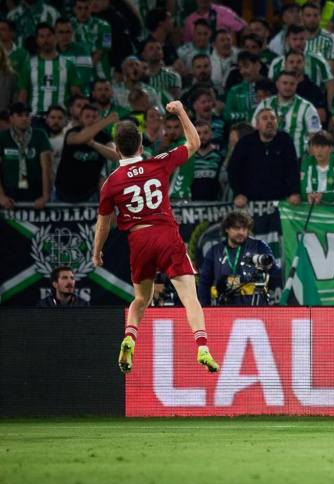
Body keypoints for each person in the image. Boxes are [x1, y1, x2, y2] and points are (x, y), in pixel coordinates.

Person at [93, 101, 220, 374]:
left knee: (141, 299)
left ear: (117, 150)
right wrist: (182, 111)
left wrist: (96, 253)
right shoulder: (157, 163)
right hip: (165, 234)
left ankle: (130, 336)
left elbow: (103, 225)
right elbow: (194, 143)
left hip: (138, 241)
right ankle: (203, 347)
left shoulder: (111, 183)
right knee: (189, 296)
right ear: (141, 147)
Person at [197, 211, 278, 307]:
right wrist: (204, 308)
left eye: (244, 229)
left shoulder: (259, 246)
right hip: (224, 306)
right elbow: (204, 282)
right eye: (236, 228)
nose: (241, 232)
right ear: (227, 229)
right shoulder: (215, 251)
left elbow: (275, 270)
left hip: (254, 305)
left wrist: (269, 265)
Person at [228, 108, 301, 208]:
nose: (269, 121)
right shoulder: (245, 143)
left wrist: (295, 192)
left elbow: (293, 169)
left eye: (273, 118)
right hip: (250, 202)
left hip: (280, 201)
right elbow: (233, 170)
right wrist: (238, 194)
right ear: (257, 125)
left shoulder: (285, 140)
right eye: (265, 118)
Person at [250, 70, 321, 159]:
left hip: (297, 160)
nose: (288, 87)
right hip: (268, 159)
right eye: (285, 83)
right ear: (277, 84)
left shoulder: (307, 107)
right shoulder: (265, 104)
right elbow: (254, 128)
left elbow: (314, 136)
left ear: (296, 86)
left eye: (292, 84)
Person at [54, 106, 119, 202]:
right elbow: (78, 139)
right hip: (62, 192)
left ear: (98, 119)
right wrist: (107, 121)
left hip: (89, 194)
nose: (91, 120)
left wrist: (94, 144)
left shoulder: (104, 137)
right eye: (87, 117)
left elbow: (115, 155)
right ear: (80, 119)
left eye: (94, 117)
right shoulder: (72, 132)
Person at [17, 23, 82, 116]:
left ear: (55, 37)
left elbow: (75, 94)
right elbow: (22, 95)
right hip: (35, 116)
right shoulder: (29, 65)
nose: (45, 40)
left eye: (48, 36)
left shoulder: (68, 65)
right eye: (41, 36)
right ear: (37, 40)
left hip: (61, 118)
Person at [0, 102, 52, 210]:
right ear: (11, 118)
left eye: (27, 115)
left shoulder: (40, 135)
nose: (24, 119)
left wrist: (45, 196)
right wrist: (1, 196)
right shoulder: (3, 137)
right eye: (19, 115)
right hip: (9, 192)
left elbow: (46, 169)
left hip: (35, 191)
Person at [301, 131, 334, 205]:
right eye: (316, 147)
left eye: (323, 147)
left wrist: (322, 197)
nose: (319, 151)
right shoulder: (307, 162)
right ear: (312, 149)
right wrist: (308, 196)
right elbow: (303, 190)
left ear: (331, 148)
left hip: (332, 209)